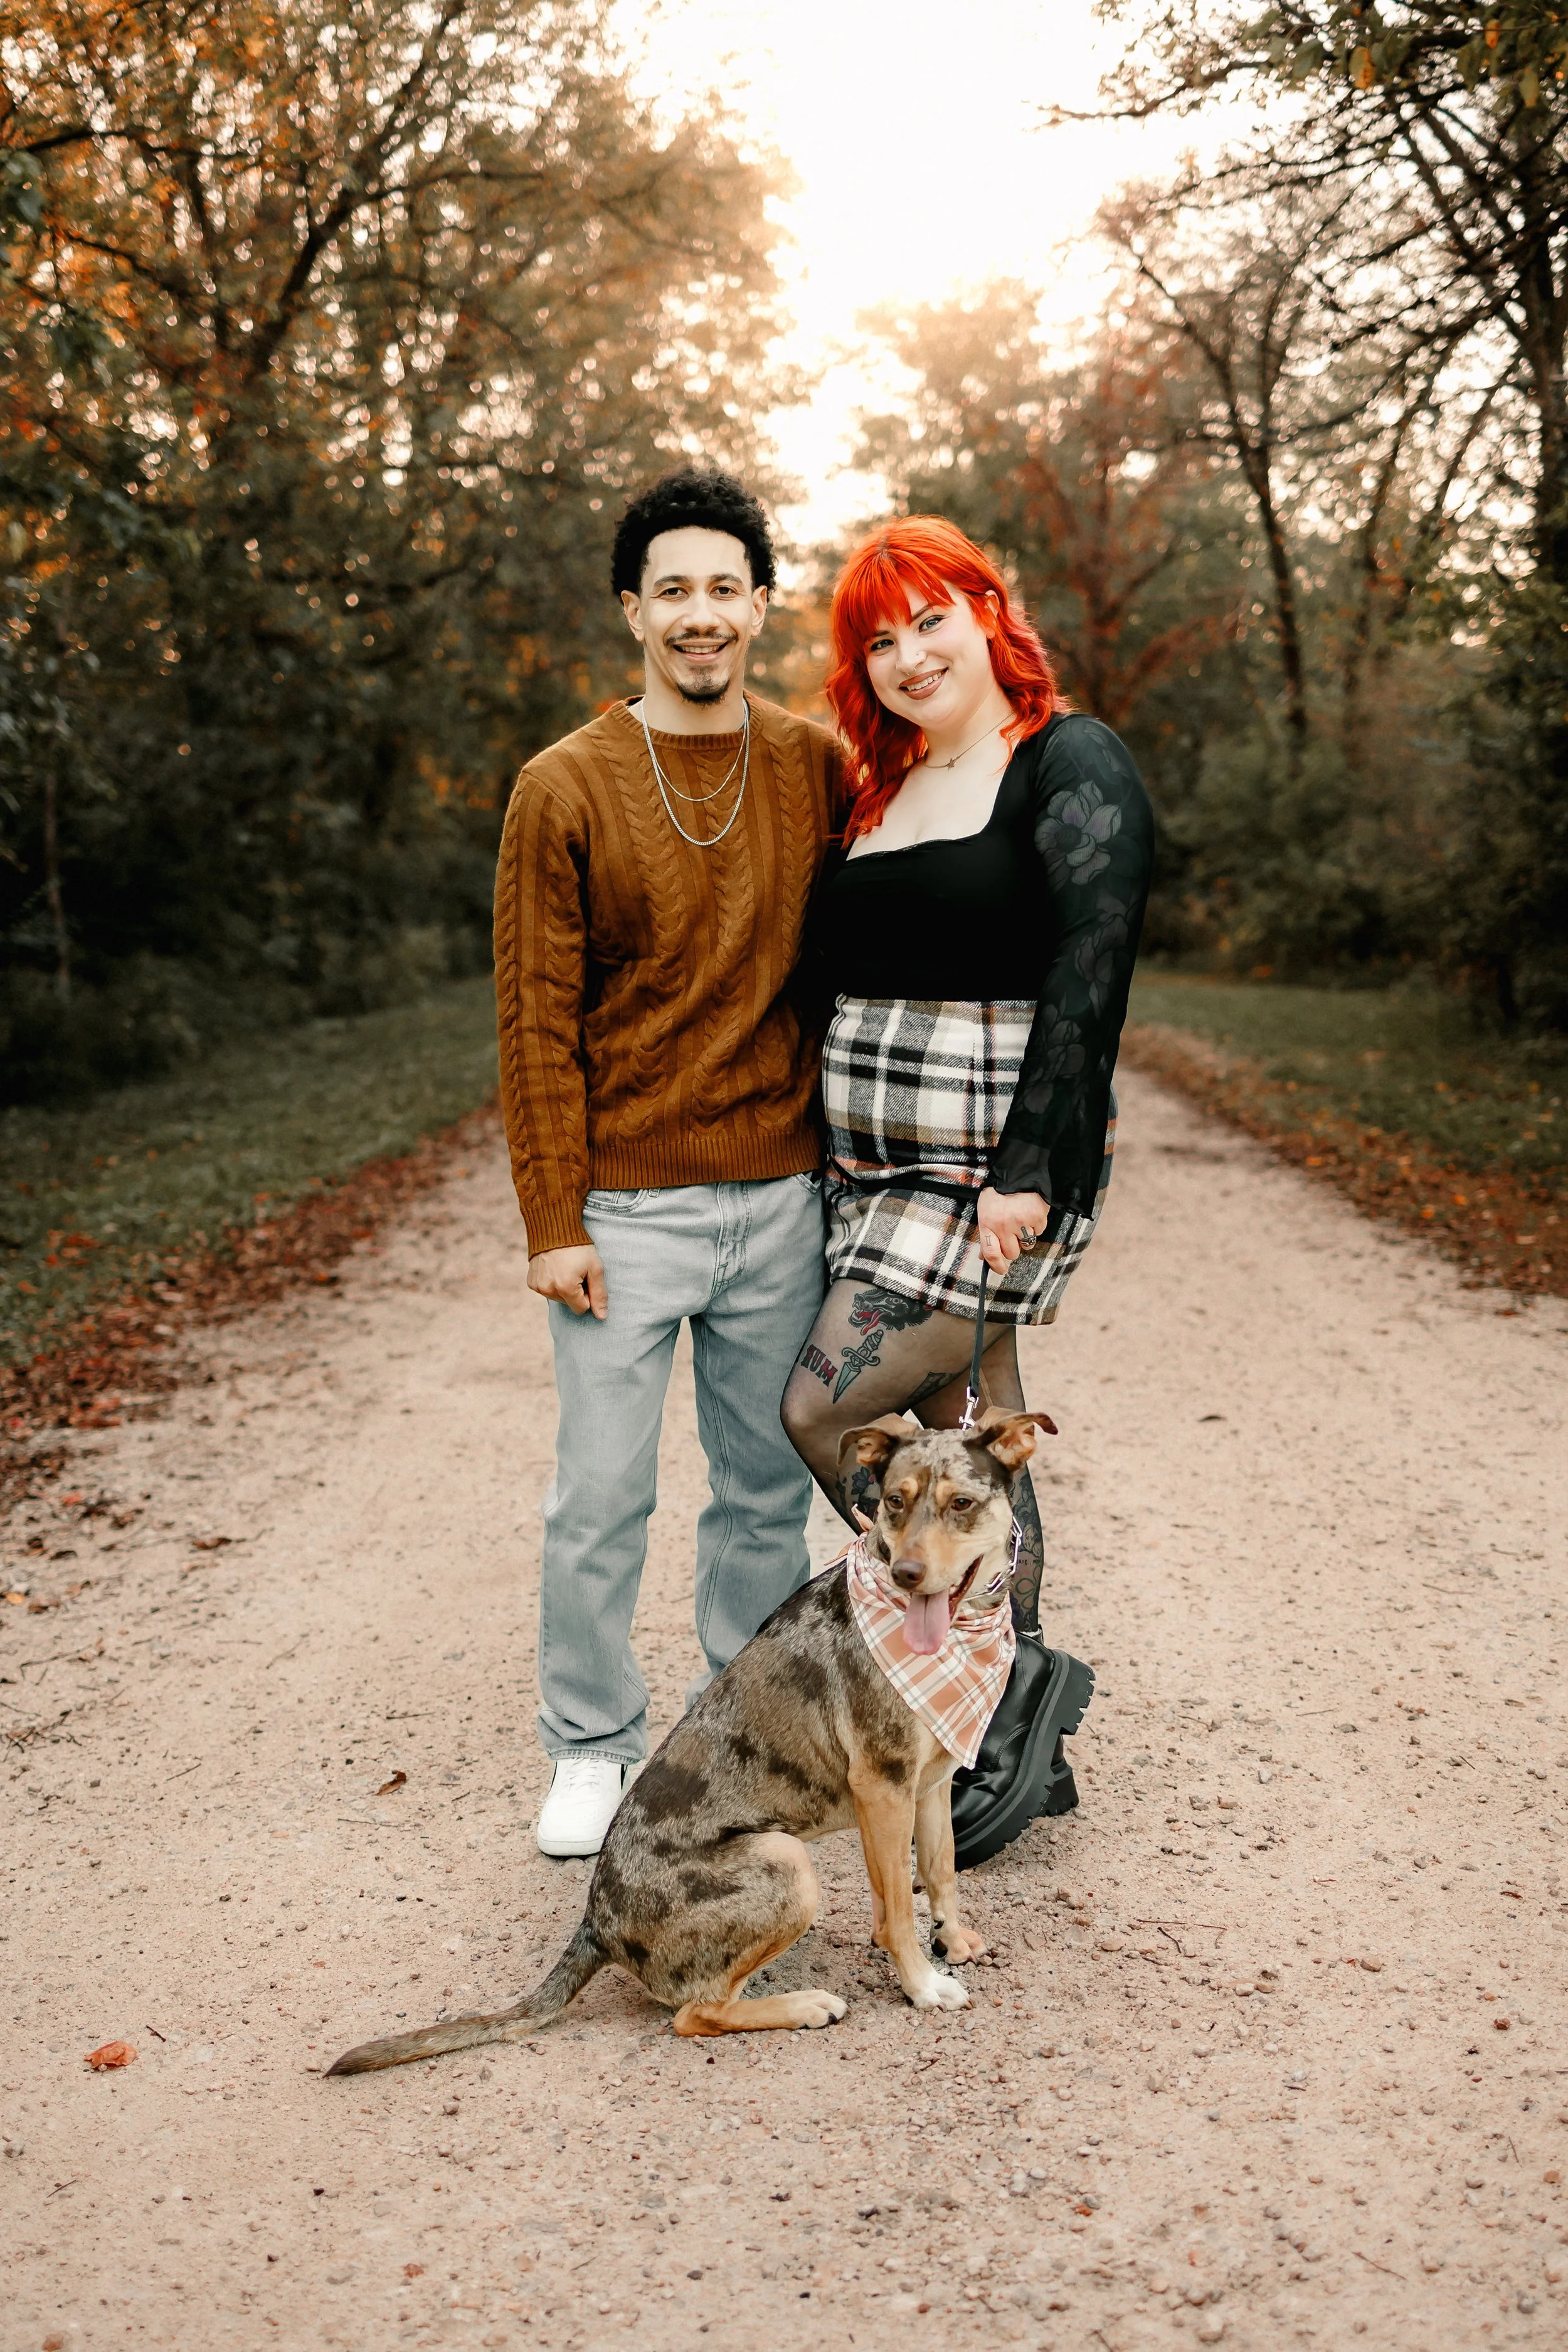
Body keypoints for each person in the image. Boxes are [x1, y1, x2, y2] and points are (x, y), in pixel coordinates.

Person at [781, 514, 1153, 1862]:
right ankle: (1018, 1714)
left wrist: (1025, 1172)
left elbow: (1090, 966)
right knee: (967, 1430)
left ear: (988, 615)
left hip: (986, 1174)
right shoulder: (875, 790)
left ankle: (1005, 1685)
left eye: (929, 619)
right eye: (876, 639)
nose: (907, 654)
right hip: (870, 1170)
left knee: (825, 1408)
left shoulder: (1064, 758)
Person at [494, 466, 841, 1858]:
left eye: (724, 589)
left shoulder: (814, 763)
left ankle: (738, 1731)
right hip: (622, 1213)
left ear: (760, 606)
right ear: (631, 610)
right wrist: (550, 1218)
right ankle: (591, 1746)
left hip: (779, 1197)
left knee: (762, 1497)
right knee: (599, 1497)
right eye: (672, 592)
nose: (700, 617)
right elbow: (533, 1021)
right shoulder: (559, 787)